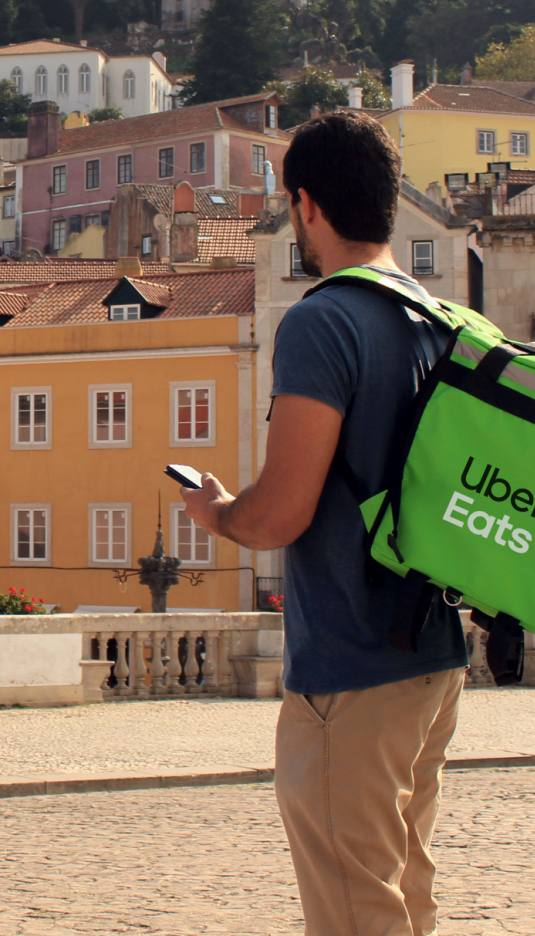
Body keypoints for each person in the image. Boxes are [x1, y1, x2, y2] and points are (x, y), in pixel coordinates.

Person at [178, 110, 467, 936]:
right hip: (433, 652)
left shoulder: (321, 320)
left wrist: (218, 510)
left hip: (353, 657)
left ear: (305, 205)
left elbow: (281, 513)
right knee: (402, 891)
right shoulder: (434, 317)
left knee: (351, 907)